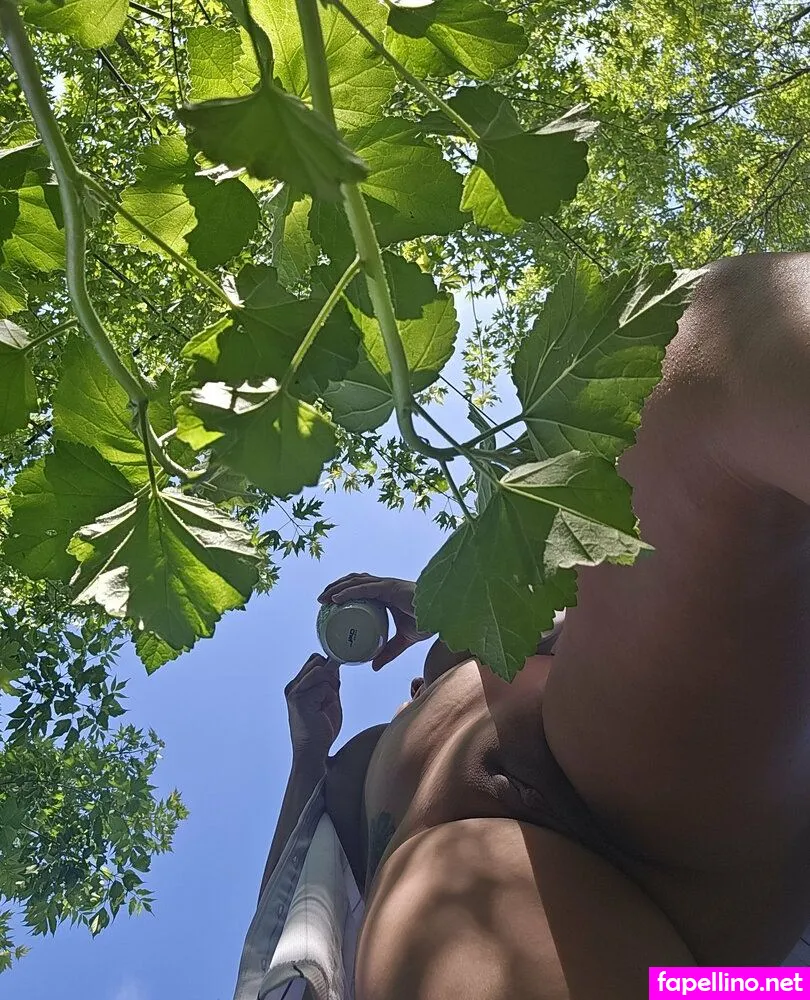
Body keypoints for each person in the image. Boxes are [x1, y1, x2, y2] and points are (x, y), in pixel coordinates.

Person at [235, 252, 810, 1000]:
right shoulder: (352, 764)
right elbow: (287, 914)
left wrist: (447, 603)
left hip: (637, 764)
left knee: (712, 341)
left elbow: (579, 601)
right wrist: (308, 755)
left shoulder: (479, 649)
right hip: (678, 966)